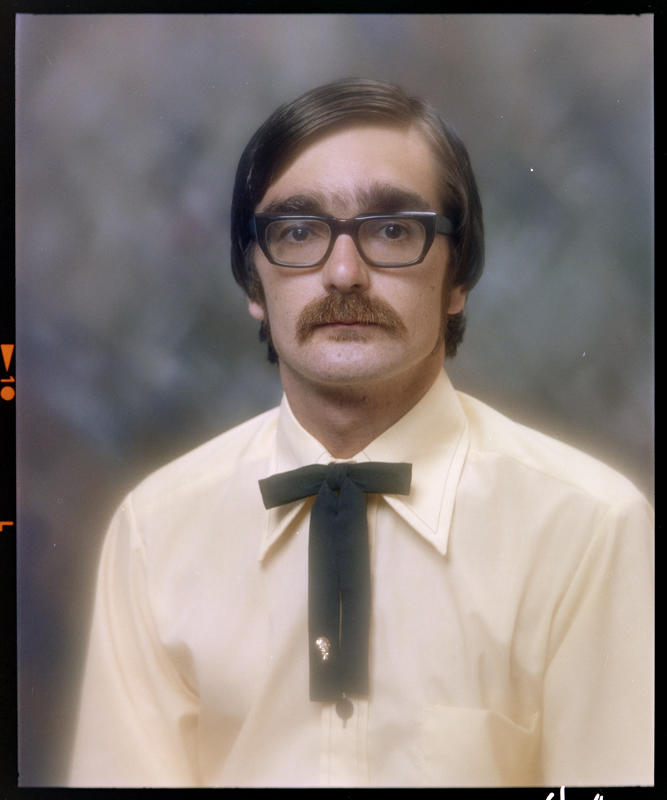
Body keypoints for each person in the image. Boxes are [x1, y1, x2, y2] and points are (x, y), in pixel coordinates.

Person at [68, 78, 653, 788]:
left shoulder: (587, 528)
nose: (344, 273)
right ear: (253, 284)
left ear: (458, 277)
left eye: (392, 230)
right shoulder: (153, 533)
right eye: (297, 232)